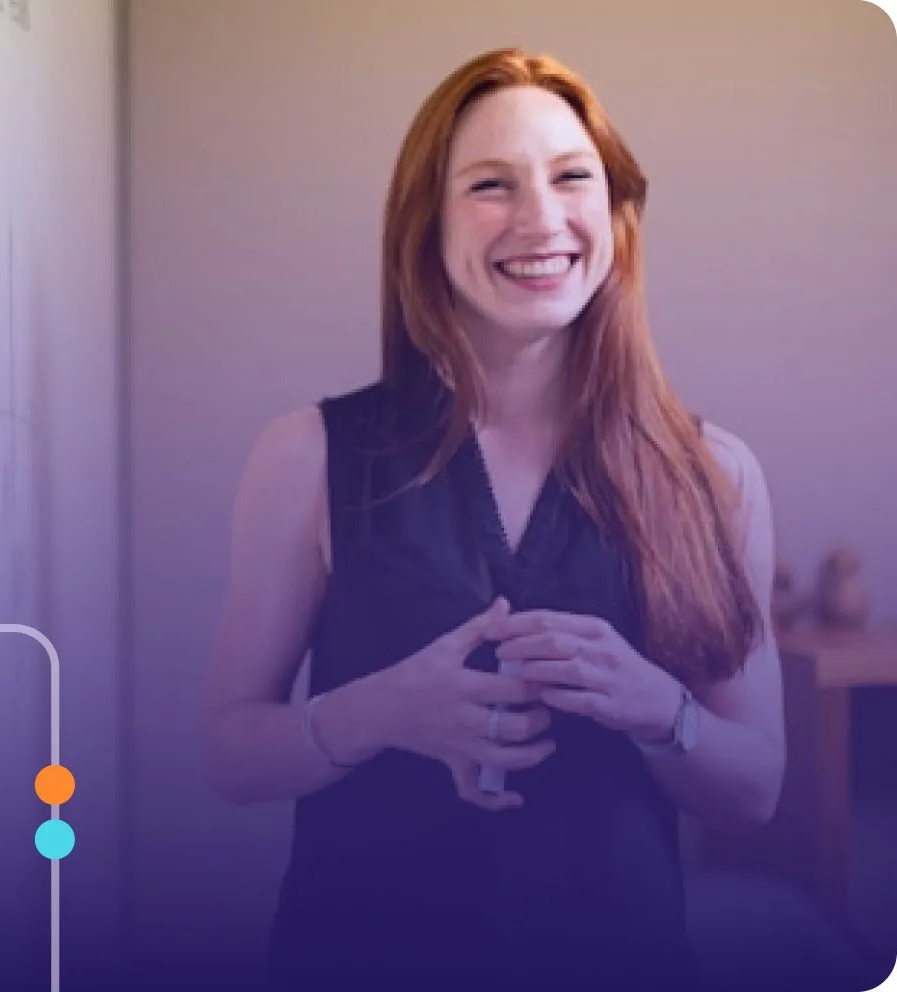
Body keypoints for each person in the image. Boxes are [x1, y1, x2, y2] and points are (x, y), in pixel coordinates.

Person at [204, 49, 785, 991]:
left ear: (617, 216)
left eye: (571, 179)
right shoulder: (305, 456)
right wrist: (377, 712)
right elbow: (230, 754)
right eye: (490, 185)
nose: (541, 219)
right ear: (424, 227)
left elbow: (754, 790)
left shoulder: (718, 475)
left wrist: (656, 708)